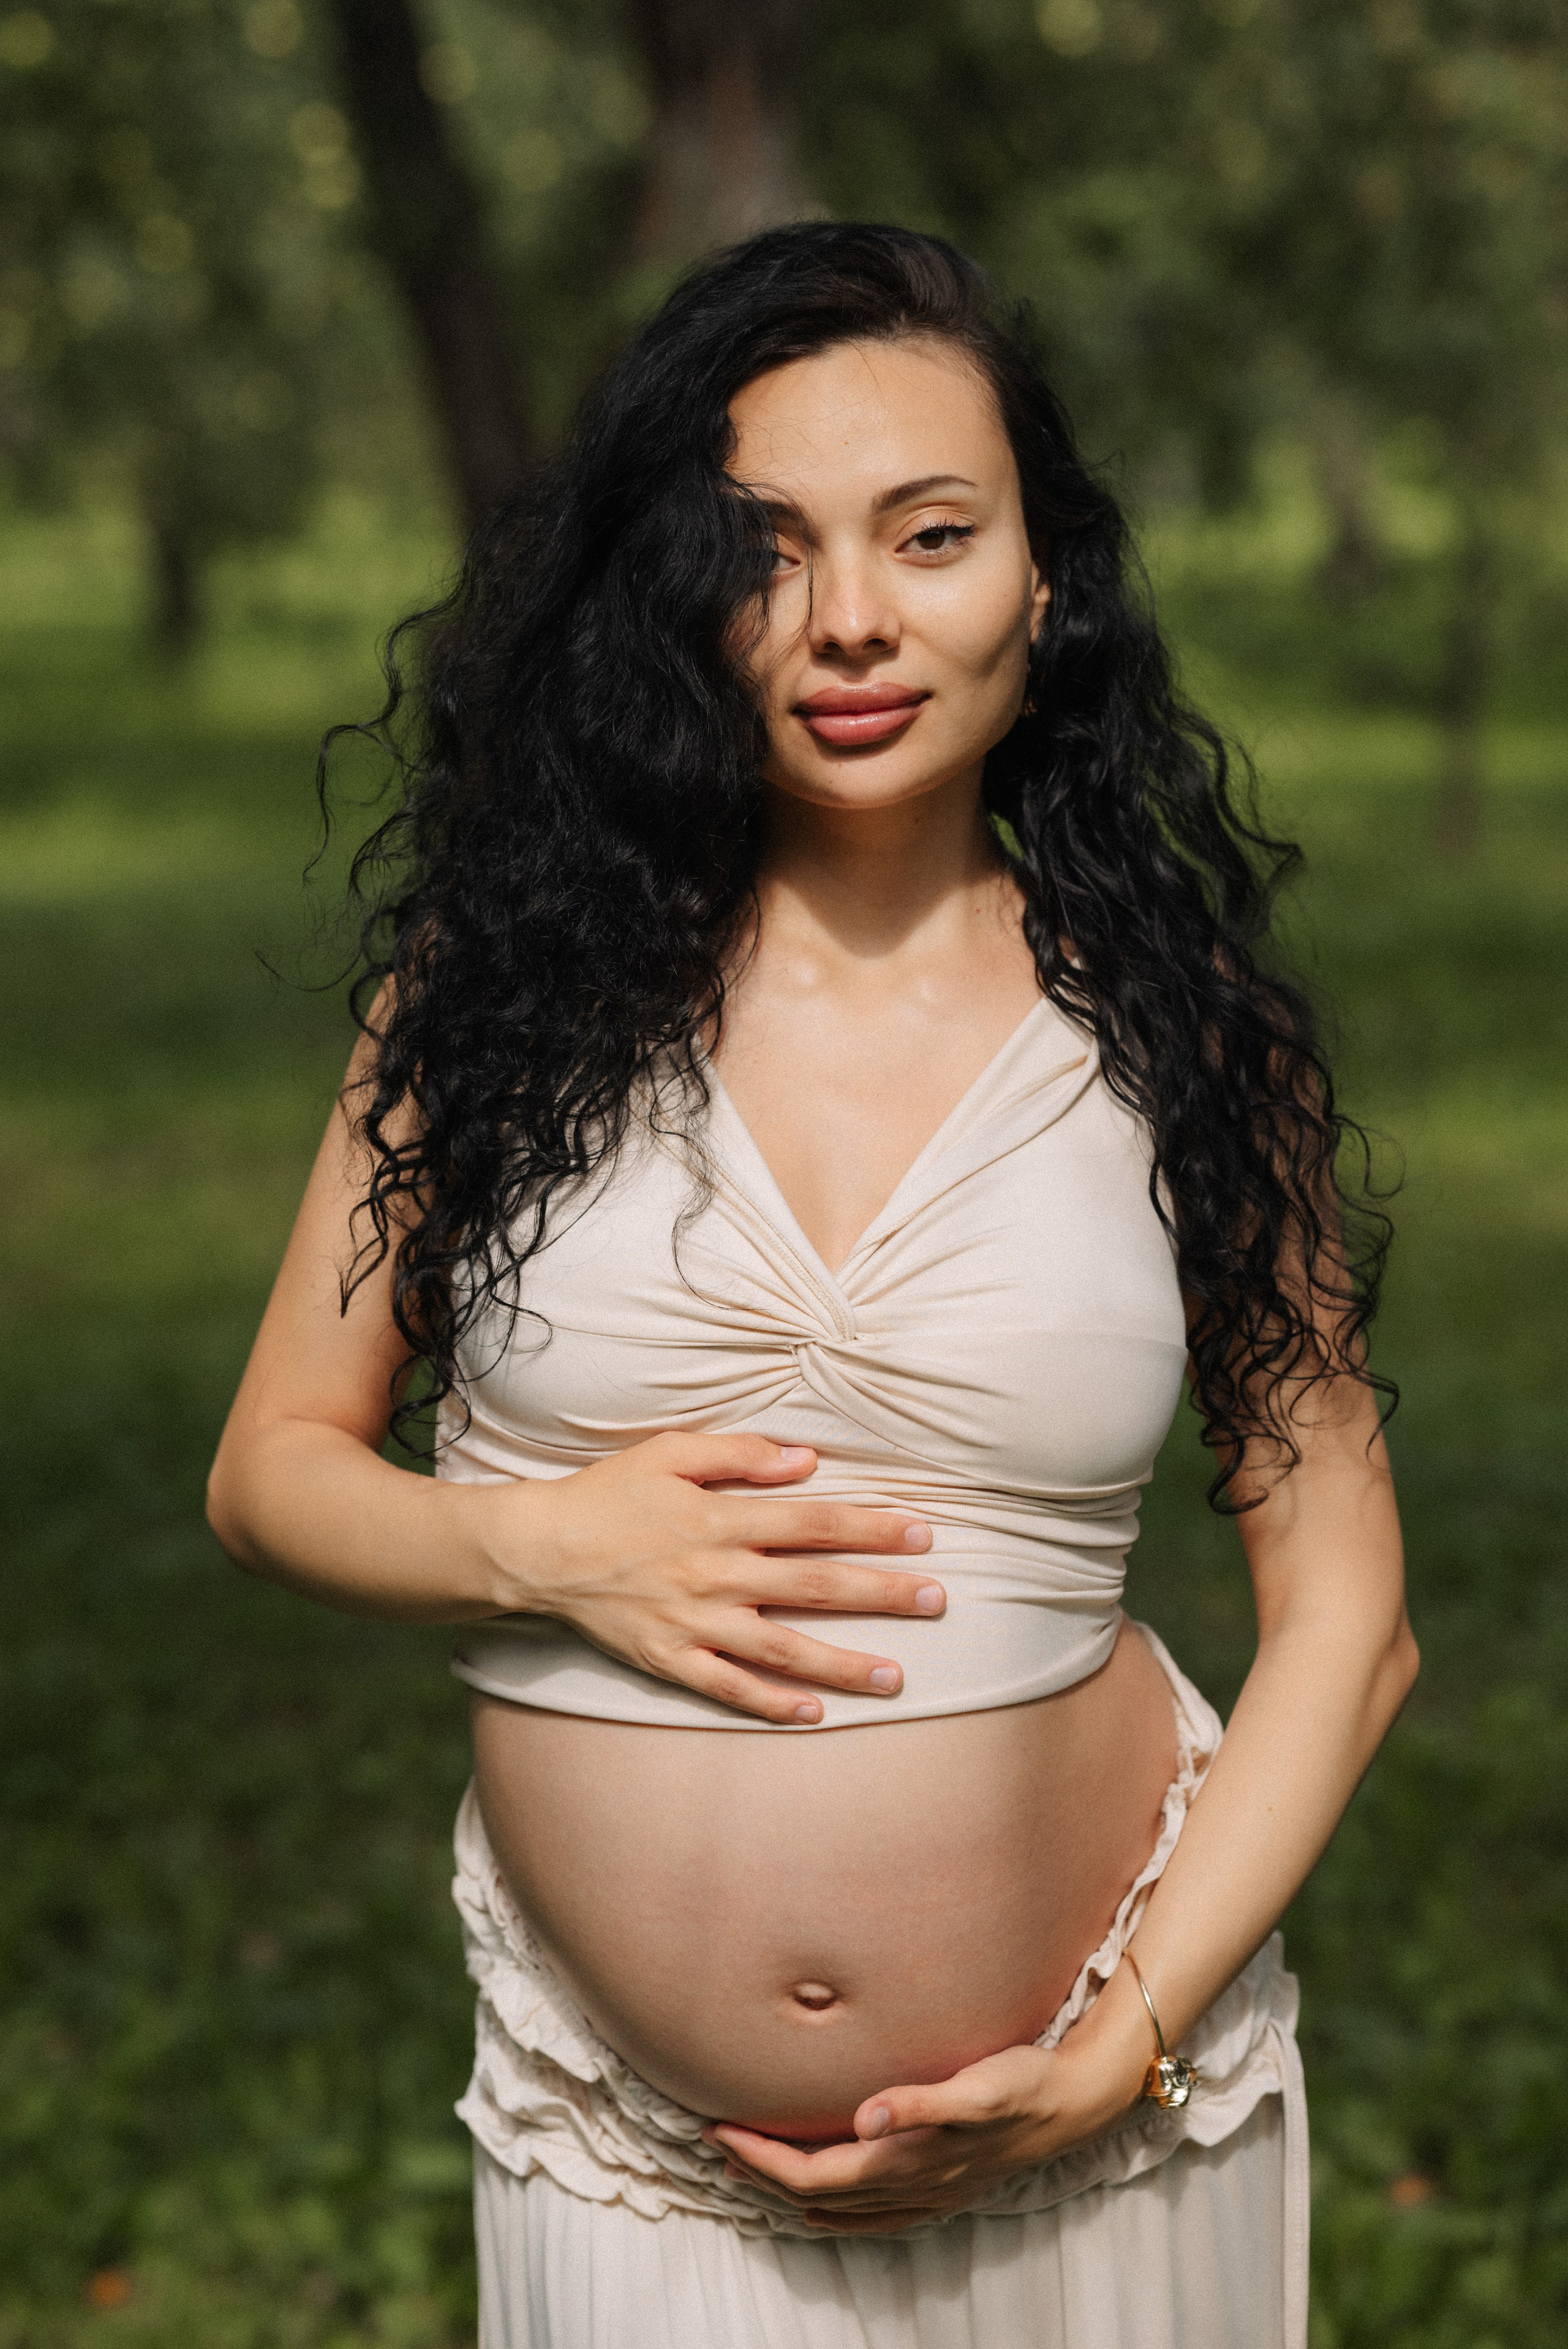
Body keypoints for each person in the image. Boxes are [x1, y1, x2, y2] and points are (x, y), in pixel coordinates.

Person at [207, 222, 1416, 2349]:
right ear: (675, 598)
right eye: (763, 550)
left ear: (1044, 575)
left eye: (931, 533)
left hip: (1103, 2143)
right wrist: (541, 1542)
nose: (853, 618)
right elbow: (272, 1469)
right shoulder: (496, 1002)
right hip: (641, 2169)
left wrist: (1107, 2050)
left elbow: (1350, 1617)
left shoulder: (1183, 1028)